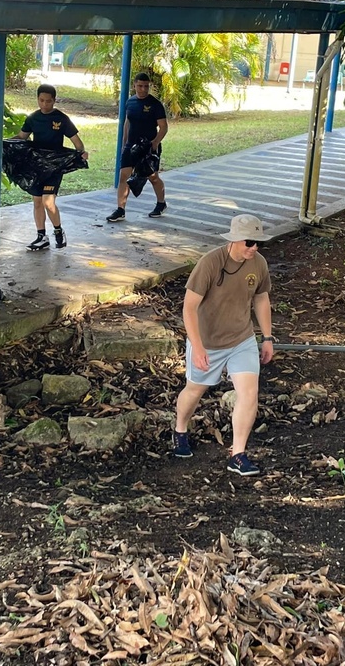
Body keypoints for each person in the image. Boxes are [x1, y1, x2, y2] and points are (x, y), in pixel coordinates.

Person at [172, 214, 274, 476]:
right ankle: (180, 428)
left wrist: (267, 337)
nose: (254, 248)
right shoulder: (210, 263)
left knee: (249, 393)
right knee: (194, 390)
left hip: (242, 339)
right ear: (235, 239)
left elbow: (261, 299)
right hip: (208, 341)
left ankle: (238, 454)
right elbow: (189, 308)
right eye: (249, 242)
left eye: (258, 243)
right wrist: (198, 346)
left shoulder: (258, 264)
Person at [14, 84, 88, 251]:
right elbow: (21, 137)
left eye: (48, 101)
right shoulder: (33, 118)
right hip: (37, 166)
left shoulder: (61, 119)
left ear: (54, 100)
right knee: (37, 202)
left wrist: (81, 153)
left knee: (49, 201)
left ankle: (58, 230)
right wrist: (3, 143)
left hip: (54, 166)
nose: (45, 104)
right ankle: (41, 237)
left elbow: (76, 141)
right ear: (37, 99)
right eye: (41, 100)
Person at [106, 72, 169, 222]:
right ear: (134, 86)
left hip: (148, 147)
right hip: (130, 146)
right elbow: (128, 123)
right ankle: (120, 209)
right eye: (140, 86)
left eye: (146, 86)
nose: (143, 89)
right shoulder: (130, 102)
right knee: (124, 176)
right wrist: (124, 143)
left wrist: (155, 143)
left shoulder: (155, 104)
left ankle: (161, 203)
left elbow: (164, 127)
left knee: (153, 177)